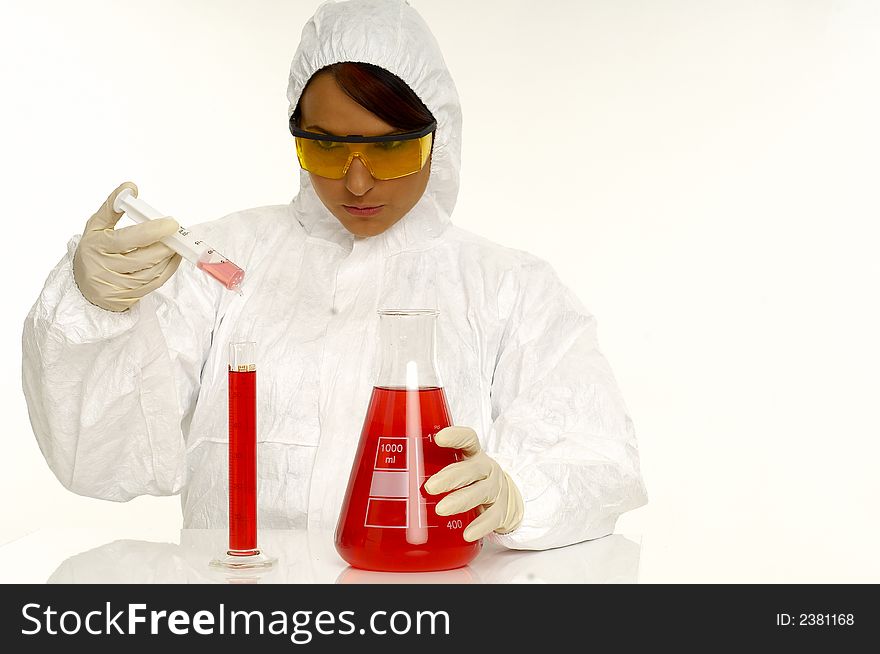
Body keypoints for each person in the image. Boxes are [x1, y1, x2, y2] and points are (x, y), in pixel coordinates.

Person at [21, 0, 647, 550]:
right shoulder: (222, 260)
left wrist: (519, 497)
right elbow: (104, 462)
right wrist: (94, 311)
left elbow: (596, 461)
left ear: (441, 136)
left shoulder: (509, 289)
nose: (356, 182)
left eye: (391, 148)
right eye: (324, 145)